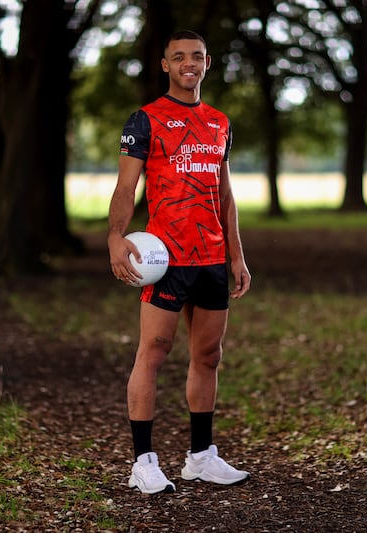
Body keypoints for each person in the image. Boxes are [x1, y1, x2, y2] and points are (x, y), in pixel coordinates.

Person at [107, 30, 252, 494]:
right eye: (178, 57)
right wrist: (115, 237)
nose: (188, 63)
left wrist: (237, 254)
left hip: (211, 258)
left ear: (207, 63)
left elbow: (225, 195)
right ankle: (143, 462)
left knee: (208, 355)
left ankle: (200, 457)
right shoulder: (146, 119)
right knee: (154, 352)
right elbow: (126, 187)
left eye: (196, 57)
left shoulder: (220, 123)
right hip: (164, 257)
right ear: (165, 64)